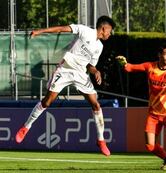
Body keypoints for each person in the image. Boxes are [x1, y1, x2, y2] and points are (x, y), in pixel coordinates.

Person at [15, 16, 116, 156]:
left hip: (81, 74)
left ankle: (101, 140)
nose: (110, 34)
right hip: (65, 69)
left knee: (96, 105)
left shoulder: (99, 47)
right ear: (103, 28)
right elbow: (61, 29)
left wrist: (96, 71)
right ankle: (26, 127)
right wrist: (39, 31)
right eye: (110, 31)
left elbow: (90, 65)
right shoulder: (84, 30)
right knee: (47, 101)